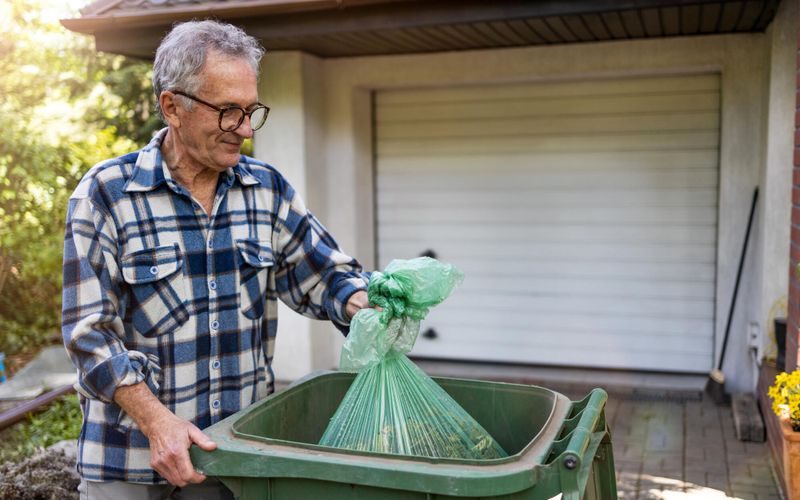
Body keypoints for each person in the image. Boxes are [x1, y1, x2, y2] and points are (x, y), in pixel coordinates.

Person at [61, 20, 371, 499]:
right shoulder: (106, 194)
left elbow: (324, 275)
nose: (245, 130)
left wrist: (365, 302)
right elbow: (88, 333)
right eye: (229, 112)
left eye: (251, 111)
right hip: (129, 459)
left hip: (231, 457)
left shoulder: (266, 189)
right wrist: (158, 421)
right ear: (173, 107)